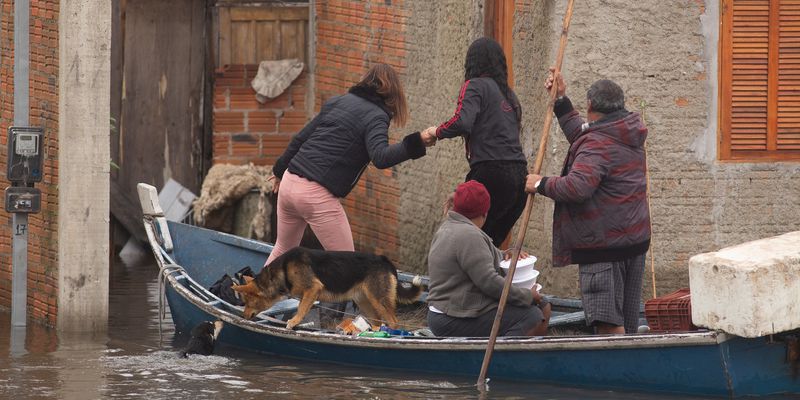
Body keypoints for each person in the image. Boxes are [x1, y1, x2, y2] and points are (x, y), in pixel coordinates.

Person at [267, 63, 433, 325]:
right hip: (316, 195)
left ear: (365, 82)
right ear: (393, 95)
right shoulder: (376, 116)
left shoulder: (338, 102)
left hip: (289, 184)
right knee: (350, 270)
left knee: (282, 248)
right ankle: (334, 328)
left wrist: (278, 171)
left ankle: (255, 300)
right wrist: (417, 141)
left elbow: (299, 139)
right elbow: (380, 157)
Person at [525, 68, 650, 335]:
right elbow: (583, 137)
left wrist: (539, 183)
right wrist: (560, 99)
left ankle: (615, 372)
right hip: (632, 242)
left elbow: (577, 187)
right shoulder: (623, 130)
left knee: (609, 325)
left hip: (604, 246)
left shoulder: (598, 143)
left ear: (591, 104)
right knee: (626, 323)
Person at [421, 37, 527, 249]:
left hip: (491, 173)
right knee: (490, 246)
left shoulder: (474, 85)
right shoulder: (510, 95)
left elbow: (462, 121)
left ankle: (462, 281)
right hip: (520, 180)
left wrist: (436, 131)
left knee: (465, 242)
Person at [427, 180, 551, 337]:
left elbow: (483, 258)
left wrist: (506, 253)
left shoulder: (450, 226)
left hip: (450, 310)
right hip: (451, 317)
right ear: (484, 213)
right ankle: (503, 358)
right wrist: (526, 296)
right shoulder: (469, 235)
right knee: (533, 316)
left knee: (541, 305)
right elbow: (489, 282)